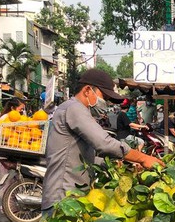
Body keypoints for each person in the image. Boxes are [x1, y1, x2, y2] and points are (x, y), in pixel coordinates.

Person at [41, 69, 160, 214]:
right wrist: (143, 158)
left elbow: (78, 158)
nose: (106, 103)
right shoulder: (74, 109)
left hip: (71, 198)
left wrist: (112, 163)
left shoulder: (76, 110)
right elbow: (104, 144)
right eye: (104, 97)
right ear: (87, 91)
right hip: (62, 199)